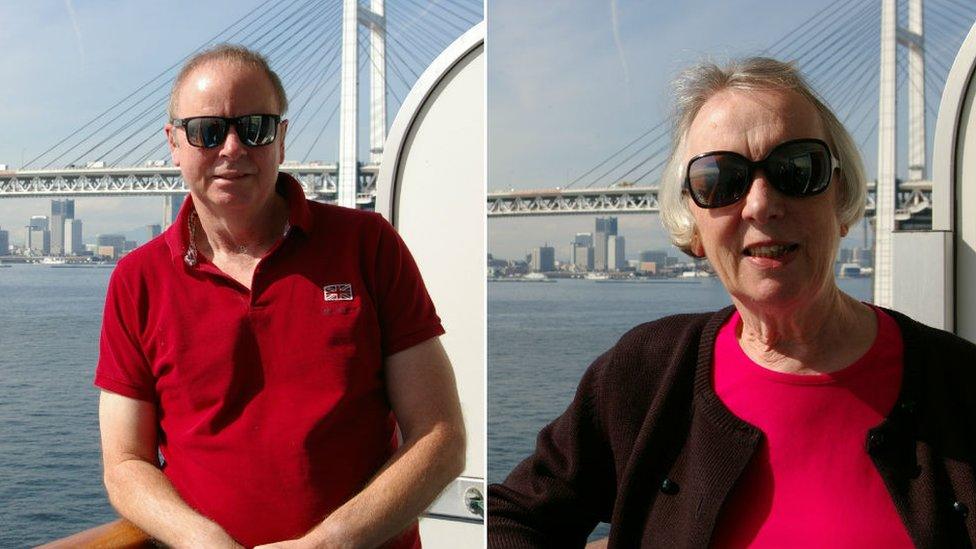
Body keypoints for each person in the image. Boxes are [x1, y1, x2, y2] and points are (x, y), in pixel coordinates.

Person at [488, 57, 976, 548]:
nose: (761, 203)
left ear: (841, 199)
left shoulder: (961, 385)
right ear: (694, 227)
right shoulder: (645, 372)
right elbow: (510, 518)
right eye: (720, 180)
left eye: (798, 168)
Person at [95, 44, 465, 548]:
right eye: (207, 130)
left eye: (255, 128)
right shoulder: (136, 280)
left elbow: (439, 436)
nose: (232, 148)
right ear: (174, 144)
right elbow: (125, 462)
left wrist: (327, 544)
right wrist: (199, 539)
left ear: (281, 139)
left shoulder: (368, 246)